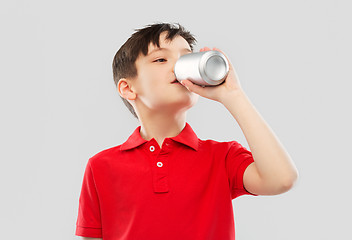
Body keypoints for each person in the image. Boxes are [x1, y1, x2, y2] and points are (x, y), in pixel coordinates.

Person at [75, 23, 298, 240]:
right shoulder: (100, 167)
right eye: (161, 59)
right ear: (128, 88)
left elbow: (281, 179)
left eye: (185, 58)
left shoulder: (222, 157)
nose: (177, 67)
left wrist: (233, 95)